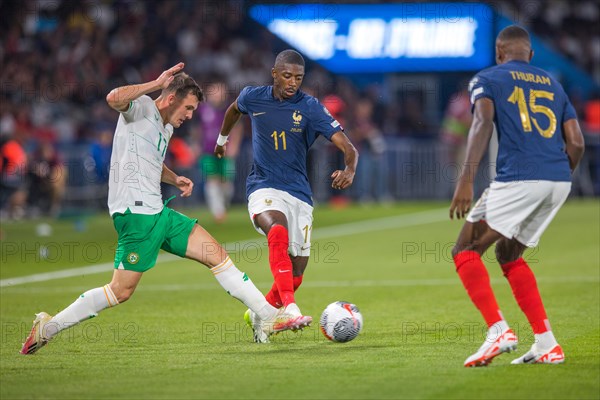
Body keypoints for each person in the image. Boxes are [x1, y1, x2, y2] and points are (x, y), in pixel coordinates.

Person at [20, 63, 310, 355]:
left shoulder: (167, 127)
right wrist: (155, 84)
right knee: (120, 291)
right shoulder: (141, 107)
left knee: (217, 255)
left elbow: (151, 162)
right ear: (171, 98)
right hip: (135, 215)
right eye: (188, 108)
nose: (189, 116)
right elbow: (113, 98)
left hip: (157, 210)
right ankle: (49, 327)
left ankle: (269, 317)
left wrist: (174, 178)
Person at [449, 26, 585, 367]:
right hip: (558, 180)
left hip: (521, 177)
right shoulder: (553, 84)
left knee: (465, 249)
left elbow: (481, 122)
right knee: (509, 253)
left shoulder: (489, 77)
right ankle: (547, 343)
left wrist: (465, 179)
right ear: (531, 55)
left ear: (499, 52)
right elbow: (578, 142)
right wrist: (557, 174)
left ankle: (498, 331)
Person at [214, 50, 359, 339]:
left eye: (299, 78)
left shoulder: (310, 107)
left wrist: (350, 169)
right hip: (263, 185)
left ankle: (258, 314)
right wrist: (222, 140)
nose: (293, 82)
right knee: (276, 230)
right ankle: (289, 310)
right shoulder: (253, 96)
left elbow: (349, 147)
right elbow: (233, 110)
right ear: (275, 74)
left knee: (296, 274)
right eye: (288, 76)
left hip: (299, 194)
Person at [195, 81, 242, 223]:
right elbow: (197, 129)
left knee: (226, 183)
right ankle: (218, 211)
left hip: (225, 151)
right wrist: (196, 145)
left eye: (220, 91)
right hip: (208, 152)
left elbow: (237, 128)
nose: (217, 95)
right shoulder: (202, 110)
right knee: (212, 179)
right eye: (214, 91)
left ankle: (223, 205)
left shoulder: (230, 109)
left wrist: (234, 145)